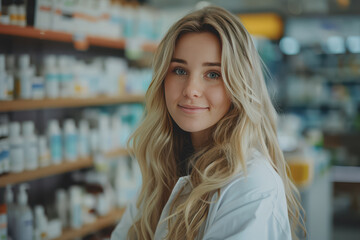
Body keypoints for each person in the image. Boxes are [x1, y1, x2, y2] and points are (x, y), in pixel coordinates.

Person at [111, 5, 305, 240]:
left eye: (213, 74)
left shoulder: (251, 184)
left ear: (240, 85)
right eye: (179, 70)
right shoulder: (163, 168)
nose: (191, 90)